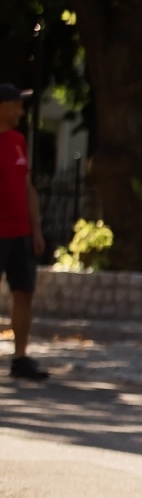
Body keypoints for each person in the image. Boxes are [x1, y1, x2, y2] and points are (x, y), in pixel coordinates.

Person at [0, 82, 47, 380]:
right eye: (17, 104)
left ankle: (20, 358)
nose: (21, 110)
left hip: (20, 233)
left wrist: (36, 229)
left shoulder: (18, 140)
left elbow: (27, 186)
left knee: (24, 293)